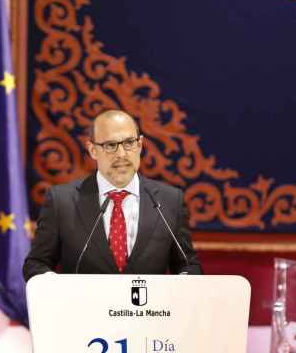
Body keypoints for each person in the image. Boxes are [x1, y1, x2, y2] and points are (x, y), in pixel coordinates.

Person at [23, 110, 202, 282]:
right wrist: (56, 285)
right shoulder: (61, 201)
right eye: (110, 145)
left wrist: (185, 281)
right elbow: (36, 264)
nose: (121, 154)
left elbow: (188, 266)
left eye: (129, 143)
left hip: (147, 311)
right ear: (92, 150)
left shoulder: (170, 200)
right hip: (85, 310)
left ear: (139, 145)